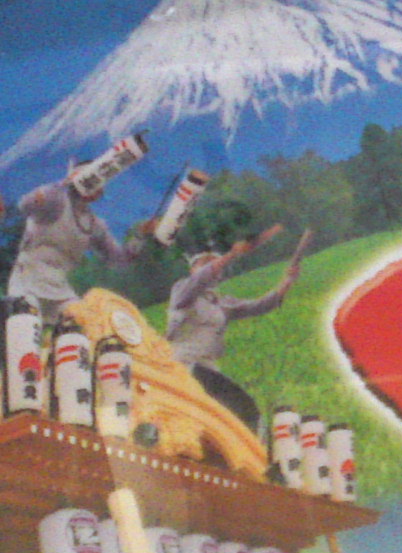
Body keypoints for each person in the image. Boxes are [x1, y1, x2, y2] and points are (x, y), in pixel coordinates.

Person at [166, 227, 308, 430]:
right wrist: (232, 254)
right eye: (205, 263)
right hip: (184, 366)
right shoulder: (182, 291)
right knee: (242, 409)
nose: (214, 268)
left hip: (208, 369)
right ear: (192, 269)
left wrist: (288, 281)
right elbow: (201, 278)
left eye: (215, 264)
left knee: (229, 417)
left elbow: (261, 305)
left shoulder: (222, 303)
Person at [7, 162, 152, 323]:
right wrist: (63, 184)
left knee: (80, 326)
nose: (96, 185)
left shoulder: (93, 224)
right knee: (26, 324)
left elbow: (118, 259)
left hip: (59, 288)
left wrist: (140, 235)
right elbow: (25, 205)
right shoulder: (54, 199)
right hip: (27, 282)